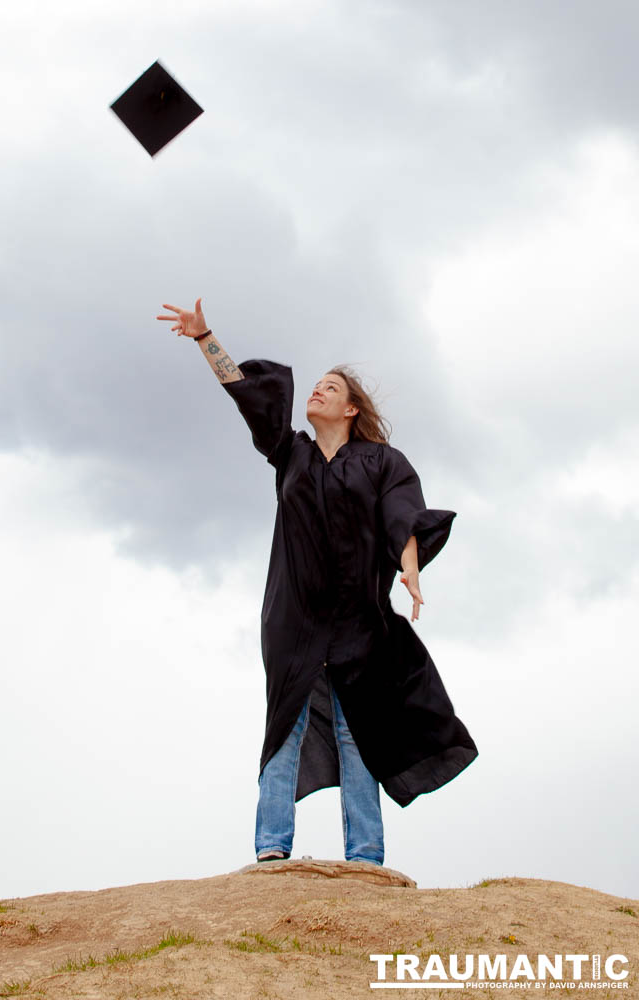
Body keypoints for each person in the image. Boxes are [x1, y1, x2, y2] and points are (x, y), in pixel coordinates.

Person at [157, 297, 478, 867]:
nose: (318, 391)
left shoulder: (383, 462)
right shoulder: (292, 455)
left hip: (360, 622)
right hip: (295, 617)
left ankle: (366, 857)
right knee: (286, 723)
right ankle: (272, 850)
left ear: (353, 409)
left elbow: (402, 513)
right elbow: (249, 395)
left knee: (360, 731)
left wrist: (409, 561)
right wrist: (207, 338)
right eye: (317, 386)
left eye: (331, 388)